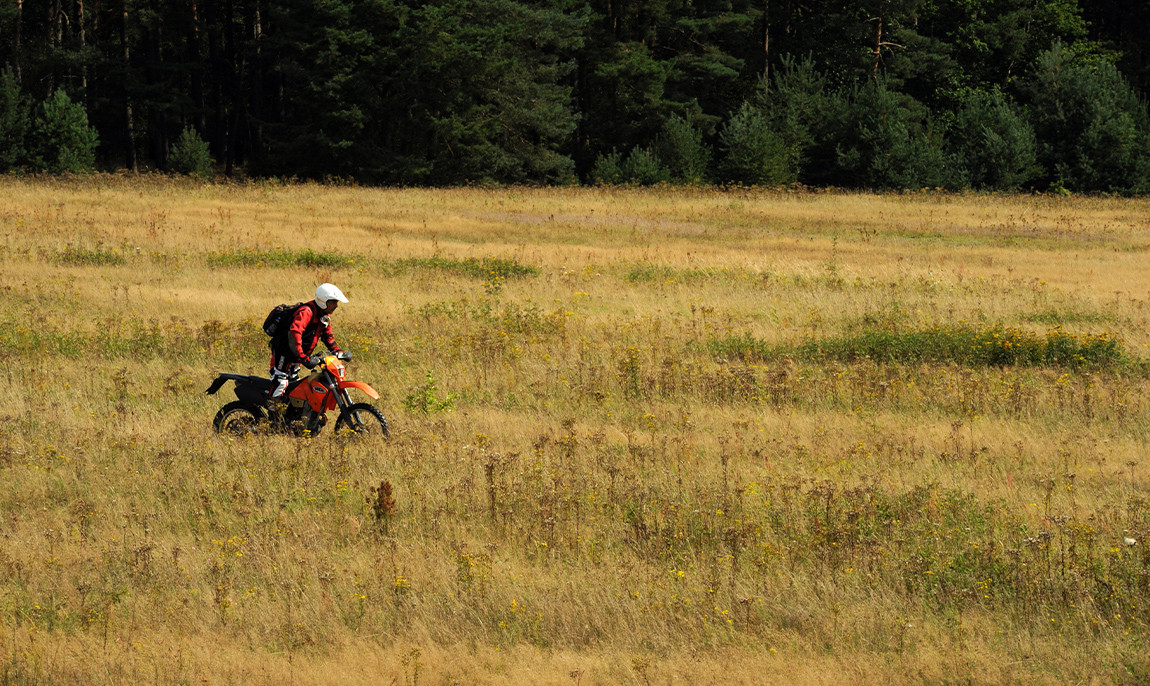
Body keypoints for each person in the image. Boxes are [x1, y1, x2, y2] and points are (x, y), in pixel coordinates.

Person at [267, 283, 348, 405]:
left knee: (294, 386)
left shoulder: (324, 316)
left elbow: (328, 336)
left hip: (297, 356)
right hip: (284, 352)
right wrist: (302, 356)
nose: (336, 305)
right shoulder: (306, 312)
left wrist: (337, 351)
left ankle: (290, 418)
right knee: (281, 382)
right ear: (323, 301)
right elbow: (295, 332)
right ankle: (272, 418)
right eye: (333, 302)